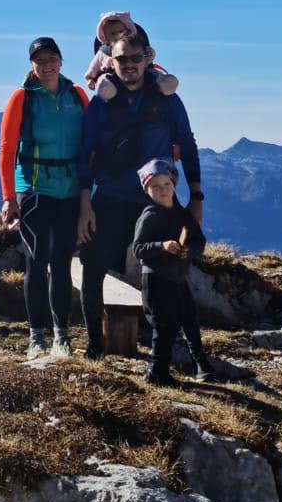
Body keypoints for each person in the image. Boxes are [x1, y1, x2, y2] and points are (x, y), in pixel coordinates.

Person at [75, 33, 203, 358]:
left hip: (157, 200)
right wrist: (85, 203)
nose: (129, 66)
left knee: (174, 273)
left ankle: (187, 350)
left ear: (147, 58)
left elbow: (187, 145)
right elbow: (84, 151)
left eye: (135, 59)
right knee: (93, 267)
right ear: (110, 61)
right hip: (111, 198)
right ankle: (94, 345)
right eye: (122, 60)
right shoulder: (102, 103)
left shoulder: (167, 99)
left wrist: (197, 196)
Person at [0, 37, 88, 360]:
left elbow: (91, 142)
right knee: (36, 263)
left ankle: (61, 337)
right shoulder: (22, 98)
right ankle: (37, 337)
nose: (47, 65)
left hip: (68, 190)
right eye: (40, 60)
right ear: (31, 65)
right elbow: (7, 150)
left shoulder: (77, 95)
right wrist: (9, 197)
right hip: (34, 191)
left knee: (62, 263)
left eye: (52, 58)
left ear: (61, 61)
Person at [132, 159, 211, 385]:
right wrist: (161, 246)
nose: (162, 190)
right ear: (147, 191)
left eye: (166, 184)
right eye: (155, 187)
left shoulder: (183, 215)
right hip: (155, 280)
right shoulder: (149, 216)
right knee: (164, 326)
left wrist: (189, 250)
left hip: (178, 278)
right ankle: (157, 372)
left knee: (189, 319)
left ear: (174, 185)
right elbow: (138, 249)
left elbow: (199, 242)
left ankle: (201, 364)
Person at [81, 11, 179, 102]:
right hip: (111, 76)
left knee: (153, 74)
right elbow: (94, 66)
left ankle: (165, 84)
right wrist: (91, 79)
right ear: (105, 35)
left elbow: (149, 54)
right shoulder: (103, 52)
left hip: (145, 75)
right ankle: (106, 90)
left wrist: (149, 55)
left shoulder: (138, 45)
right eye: (121, 59)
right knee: (104, 79)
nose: (129, 63)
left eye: (121, 31)